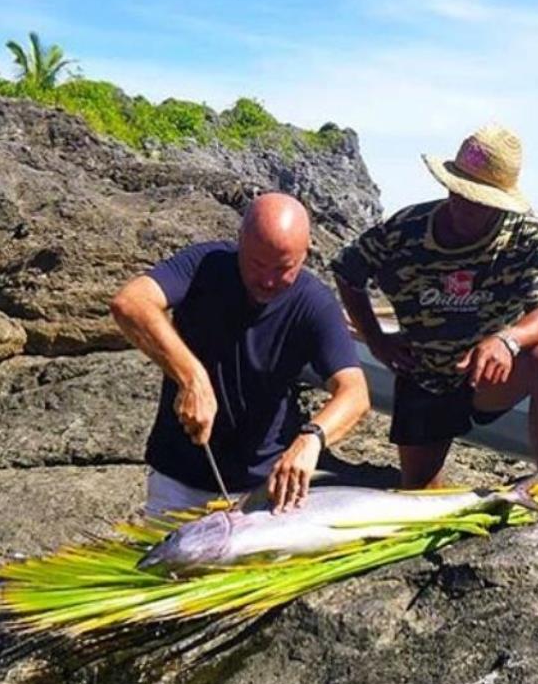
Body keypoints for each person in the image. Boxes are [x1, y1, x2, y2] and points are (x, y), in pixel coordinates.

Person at [332, 124, 538, 511]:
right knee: (420, 495)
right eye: (458, 192)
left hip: (488, 377)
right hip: (423, 376)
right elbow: (347, 270)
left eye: (479, 200)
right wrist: (375, 338)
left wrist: (506, 341)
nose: (464, 205)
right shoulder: (406, 229)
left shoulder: (532, 234)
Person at [111, 192, 370, 515]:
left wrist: (311, 439)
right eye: (256, 263)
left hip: (265, 492)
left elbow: (355, 394)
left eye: (283, 268)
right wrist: (192, 378)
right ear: (241, 241)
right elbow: (130, 303)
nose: (268, 279)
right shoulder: (205, 264)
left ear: (305, 254)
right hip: (176, 481)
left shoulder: (314, 304)